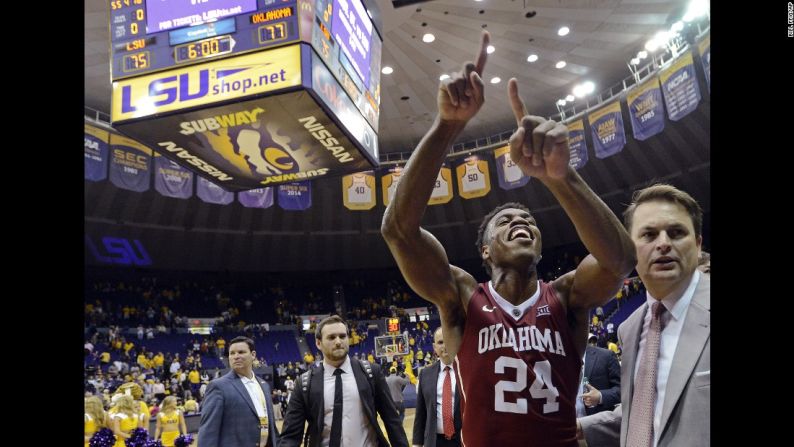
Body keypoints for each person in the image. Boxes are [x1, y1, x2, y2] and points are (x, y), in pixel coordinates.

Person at [380, 30, 636, 446]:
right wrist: (447, 126)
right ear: (484, 249)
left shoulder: (567, 296)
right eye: (506, 220)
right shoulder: (463, 295)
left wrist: (561, 177)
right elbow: (398, 230)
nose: (521, 221)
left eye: (528, 219)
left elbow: (620, 261)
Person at [578, 184, 710, 446]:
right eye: (649, 235)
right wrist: (578, 427)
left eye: (676, 233)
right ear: (630, 251)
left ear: (697, 245)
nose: (663, 244)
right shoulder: (629, 328)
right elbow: (642, 414)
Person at [280, 315, 409, 447]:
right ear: (318, 343)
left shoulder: (371, 373)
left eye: (342, 336)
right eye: (331, 337)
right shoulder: (304, 383)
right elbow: (290, 436)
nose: (338, 341)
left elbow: (392, 421)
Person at [197, 336, 280, 447]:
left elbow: (270, 426)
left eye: (241, 352)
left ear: (253, 355)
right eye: (232, 353)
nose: (236, 357)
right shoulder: (218, 386)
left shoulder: (264, 385)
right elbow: (208, 433)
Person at [412, 327, 462, 447]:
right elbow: (421, 413)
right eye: (440, 342)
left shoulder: (466, 371)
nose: (444, 345)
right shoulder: (425, 374)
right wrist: (417, 443)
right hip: (434, 442)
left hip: (462, 441)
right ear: (434, 347)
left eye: (448, 340)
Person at [578, 335, 621, 416]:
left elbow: (622, 390)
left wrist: (600, 396)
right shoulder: (557, 359)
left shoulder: (606, 356)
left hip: (594, 423)